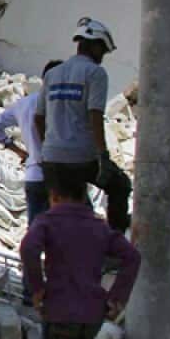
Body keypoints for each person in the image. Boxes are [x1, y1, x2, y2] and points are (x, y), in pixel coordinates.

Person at [20, 171, 140, 339]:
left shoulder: (47, 221)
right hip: (92, 316)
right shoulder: (99, 226)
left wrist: (37, 289)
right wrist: (117, 298)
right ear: (84, 195)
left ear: (53, 196)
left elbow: (29, 249)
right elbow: (132, 256)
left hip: (59, 312)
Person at [34, 18, 131, 232]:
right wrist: (103, 157)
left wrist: (46, 148)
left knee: (63, 213)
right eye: (102, 50)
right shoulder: (95, 73)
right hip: (81, 156)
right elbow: (95, 115)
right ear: (93, 44)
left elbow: (38, 117)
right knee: (121, 186)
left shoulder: (52, 74)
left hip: (52, 157)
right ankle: (114, 244)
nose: (102, 56)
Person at [0, 60, 64, 227]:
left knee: (36, 236)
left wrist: (18, 150)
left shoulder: (25, 103)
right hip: (61, 179)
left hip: (34, 175)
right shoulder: (65, 106)